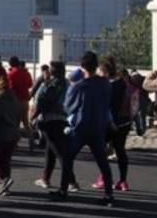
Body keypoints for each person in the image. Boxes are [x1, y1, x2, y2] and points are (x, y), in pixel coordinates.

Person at [51, 52, 114, 207]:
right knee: (102, 162)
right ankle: (108, 194)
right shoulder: (105, 83)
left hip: (80, 127)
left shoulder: (79, 86)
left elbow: (68, 107)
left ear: (82, 67)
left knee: (67, 158)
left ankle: (63, 190)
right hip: (98, 125)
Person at [31, 61, 78, 191]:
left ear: (52, 72)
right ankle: (45, 178)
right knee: (50, 150)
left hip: (49, 121)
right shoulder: (69, 85)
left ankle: (71, 182)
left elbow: (40, 100)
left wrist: (33, 117)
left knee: (59, 152)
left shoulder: (49, 84)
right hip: (64, 120)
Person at [91, 58, 134, 192]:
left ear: (105, 71)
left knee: (100, 150)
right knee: (120, 150)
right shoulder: (123, 83)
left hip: (109, 122)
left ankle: (103, 177)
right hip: (124, 122)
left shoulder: (107, 85)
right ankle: (123, 181)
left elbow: (106, 106)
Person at [7, 56, 34, 151]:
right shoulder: (26, 73)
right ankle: (31, 140)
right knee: (26, 122)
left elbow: (8, 87)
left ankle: (15, 142)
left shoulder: (11, 74)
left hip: (15, 100)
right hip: (25, 100)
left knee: (15, 122)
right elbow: (30, 84)